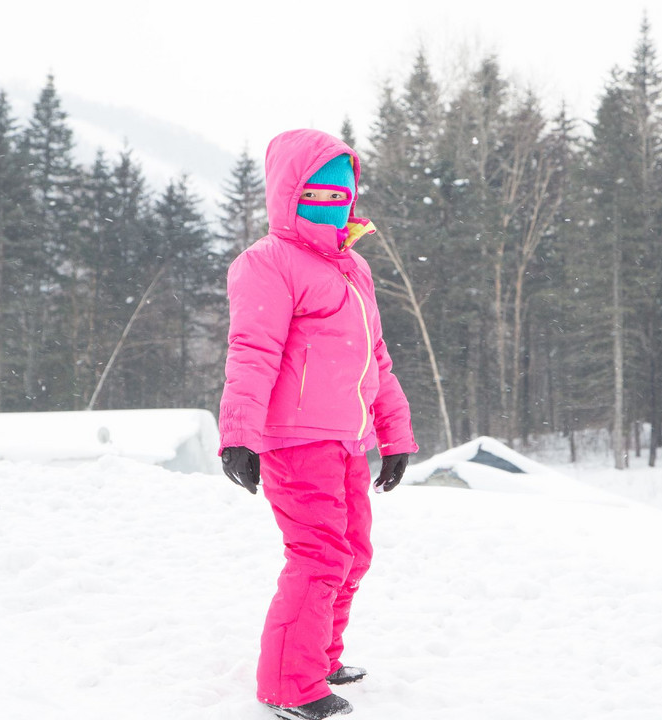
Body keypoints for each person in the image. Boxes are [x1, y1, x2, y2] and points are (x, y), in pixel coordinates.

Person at [218, 128, 418, 720]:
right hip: (296, 442)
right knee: (318, 556)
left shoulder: (353, 266)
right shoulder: (267, 263)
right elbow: (251, 352)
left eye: (341, 195)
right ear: (287, 194)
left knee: (352, 552)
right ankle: (287, 684)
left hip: (348, 441)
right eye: (317, 194)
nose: (332, 206)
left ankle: (319, 657)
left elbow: (375, 357)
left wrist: (395, 435)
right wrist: (239, 435)